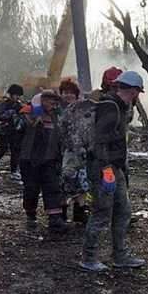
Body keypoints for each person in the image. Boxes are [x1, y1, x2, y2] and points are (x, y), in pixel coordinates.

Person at [80, 71, 146, 272]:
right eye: (137, 92)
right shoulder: (110, 107)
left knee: (123, 211)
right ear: (134, 91)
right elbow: (99, 142)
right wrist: (107, 170)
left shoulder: (120, 107)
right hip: (103, 168)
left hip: (114, 167)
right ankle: (89, 258)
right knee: (101, 212)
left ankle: (120, 255)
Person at [18, 89, 68, 233]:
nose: (53, 103)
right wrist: (32, 118)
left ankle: (55, 219)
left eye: (55, 101)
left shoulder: (56, 115)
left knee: (52, 188)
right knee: (31, 189)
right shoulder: (28, 112)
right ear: (41, 100)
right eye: (49, 100)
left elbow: (60, 135)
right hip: (29, 160)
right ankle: (31, 215)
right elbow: (18, 128)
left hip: (49, 159)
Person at [58, 78, 90, 224]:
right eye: (65, 92)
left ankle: (79, 212)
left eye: (71, 92)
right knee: (64, 182)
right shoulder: (57, 109)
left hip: (82, 152)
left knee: (82, 182)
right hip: (64, 153)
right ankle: (62, 213)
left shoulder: (84, 109)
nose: (68, 95)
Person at [0, 84, 24, 181]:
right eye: (16, 95)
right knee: (3, 148)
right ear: (11, 94)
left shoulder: (19, 105)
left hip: (14, 131)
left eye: (19, 95)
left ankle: (14, 171)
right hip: (3, 131)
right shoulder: (3, 103)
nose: (18, 97)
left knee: (15, 150)